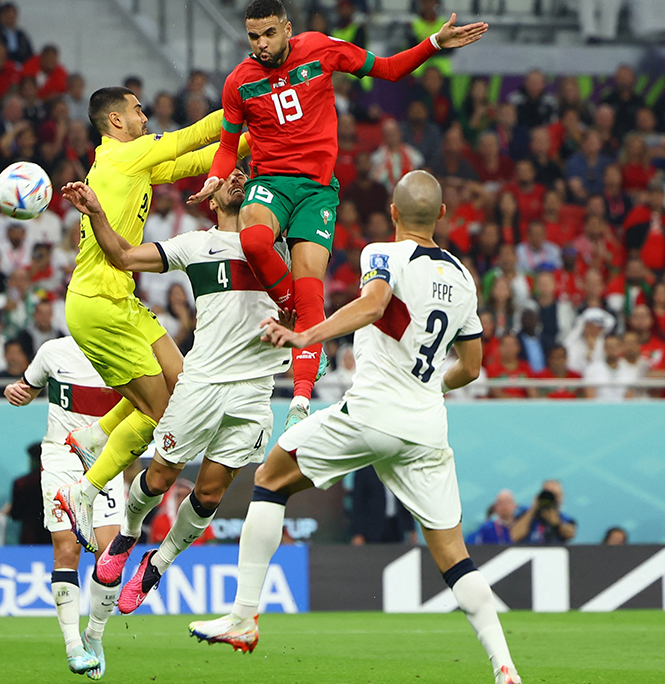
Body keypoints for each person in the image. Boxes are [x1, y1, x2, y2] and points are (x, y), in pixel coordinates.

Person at [188, 171, 521, 684]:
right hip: (426, 426)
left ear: (392, 213)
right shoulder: (461, 278)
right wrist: (431, 386)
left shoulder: (380, 254)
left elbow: (374, 304)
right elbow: (472, 367)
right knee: (454, 556)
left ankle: (243, 617)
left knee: (270, 479)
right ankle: (505, 667)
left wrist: (306, 336)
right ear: (442, 217)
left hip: (371, 413)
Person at [188, 0, 486, 427]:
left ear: (288, 29)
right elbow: (228, 147)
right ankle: (293, 309)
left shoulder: (322, 49)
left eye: (269, 33)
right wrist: (217, 177)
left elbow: (388, 69)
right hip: (270, 183)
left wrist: (434, 44)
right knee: (253, 240)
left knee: (312, 295)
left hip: (317, 192)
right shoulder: (239, 82)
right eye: (253, 36)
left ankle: (301, 402)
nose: (261, 44)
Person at [58, 170, 293, 612]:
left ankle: (157, 565)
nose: (238, 178)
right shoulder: (195, 244)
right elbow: (125, 257)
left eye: (245, 174)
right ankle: (127, 536)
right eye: (229, 176)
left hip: (256, 389)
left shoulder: (280, 246)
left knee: (207, 495)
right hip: (201, 382)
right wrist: (99, 215)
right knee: (161, 476)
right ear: (211, 197)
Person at [50, 83, 251, 554]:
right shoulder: (124, 156)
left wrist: (254, 141)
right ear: (116, 121)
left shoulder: (129, 160)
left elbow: (198, 161)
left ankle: (93, 437)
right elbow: (194, 135)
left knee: (178, 383)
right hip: (98, 305)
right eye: (139, 111)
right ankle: (83, 491)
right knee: (162, 416)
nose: (146, 117)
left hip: (120, 299)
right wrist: (253, 107)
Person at [1, 336, 128, 678]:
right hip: (61, 456)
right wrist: (15, 392)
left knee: (111, 554)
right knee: (66, 549)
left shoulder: (127, 344)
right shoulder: (53, 351)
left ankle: (94, 634)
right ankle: (73, 645)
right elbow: (26, 389)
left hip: (107, 458)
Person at [0, 443, 50, 545]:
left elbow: (16, 514)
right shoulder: (57, 483)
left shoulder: (22, 483)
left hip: (30, 537)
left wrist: (7, 510)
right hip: (52, 536)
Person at [510, 480, 578, 544]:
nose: (551, 498)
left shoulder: (565, 519)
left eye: (555, 495)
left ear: (561, 498)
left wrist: (557, 524)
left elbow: (571, 534)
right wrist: (533, 509)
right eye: (548, 494)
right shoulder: (524, 512)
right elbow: (514, 536)